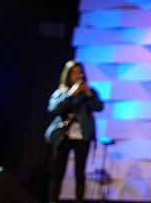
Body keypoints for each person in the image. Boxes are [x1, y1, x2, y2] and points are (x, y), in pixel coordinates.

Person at [46, 60, 104, 203]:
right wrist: (70, 95)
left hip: (82, 137)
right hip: (63, 137)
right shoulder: (61, 93)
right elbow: (54, 110)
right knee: (58, 172)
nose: (77, 75)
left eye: (80, 72)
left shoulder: (89, 92)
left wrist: (89, 94)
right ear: (68, 75)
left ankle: (79, 199)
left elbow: (99, 107)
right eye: (74, 72)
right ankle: (53, 199)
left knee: (80, 172)